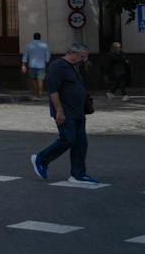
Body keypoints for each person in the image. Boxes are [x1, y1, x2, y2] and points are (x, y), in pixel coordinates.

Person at [31, 41, 97, 184]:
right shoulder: (57, 67)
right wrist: (59, 111)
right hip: (66, 112)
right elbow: (53, 91)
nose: (84, 60)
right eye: (82, 56)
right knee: (68, 139)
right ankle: (41, 159)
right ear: (73, 53)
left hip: (78, 111)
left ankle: (78, 174)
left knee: (81, 143)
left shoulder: (73, 67)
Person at [23, 33, 52, 100]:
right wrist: (46, 61)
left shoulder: (29, 45)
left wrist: (24, 64)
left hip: (32, 65)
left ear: (33, 37)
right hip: (41, 65)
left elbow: (25, 55)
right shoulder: (45, 45)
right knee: (40, 80)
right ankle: (40, 94)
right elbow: (48, 55)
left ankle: (35, 93)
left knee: (33, 80)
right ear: (40, 37)